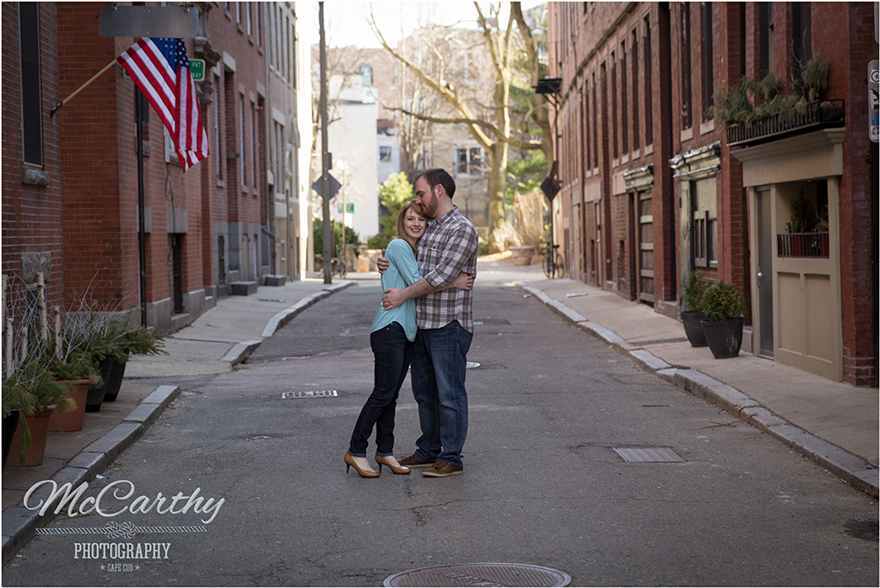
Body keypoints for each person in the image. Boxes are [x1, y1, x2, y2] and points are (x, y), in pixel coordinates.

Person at [344, 201, 473, 478]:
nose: (416, 224)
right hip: (390, 329)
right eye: (410, 219)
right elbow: (418, 281)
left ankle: (385, 451)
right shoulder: (399, 247)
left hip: (403, 332)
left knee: (390, 396)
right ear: (402, 222)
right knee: (382, 394)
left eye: (421, 220)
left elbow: (411, 277)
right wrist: (454, 282)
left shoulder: (409, 250)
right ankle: (356, 451)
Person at [379, 168, 479, 478]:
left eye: (421, 193)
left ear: (438, 191)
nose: (417, 201)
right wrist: (386, 261)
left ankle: (451, 457)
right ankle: (429, 450)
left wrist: (402, 295)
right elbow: (412, 267)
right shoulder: (430, 226)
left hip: (448, 323)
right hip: (421, 323)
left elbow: (438, 278)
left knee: (449, 394)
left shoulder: (461, 230)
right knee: (425, 393)